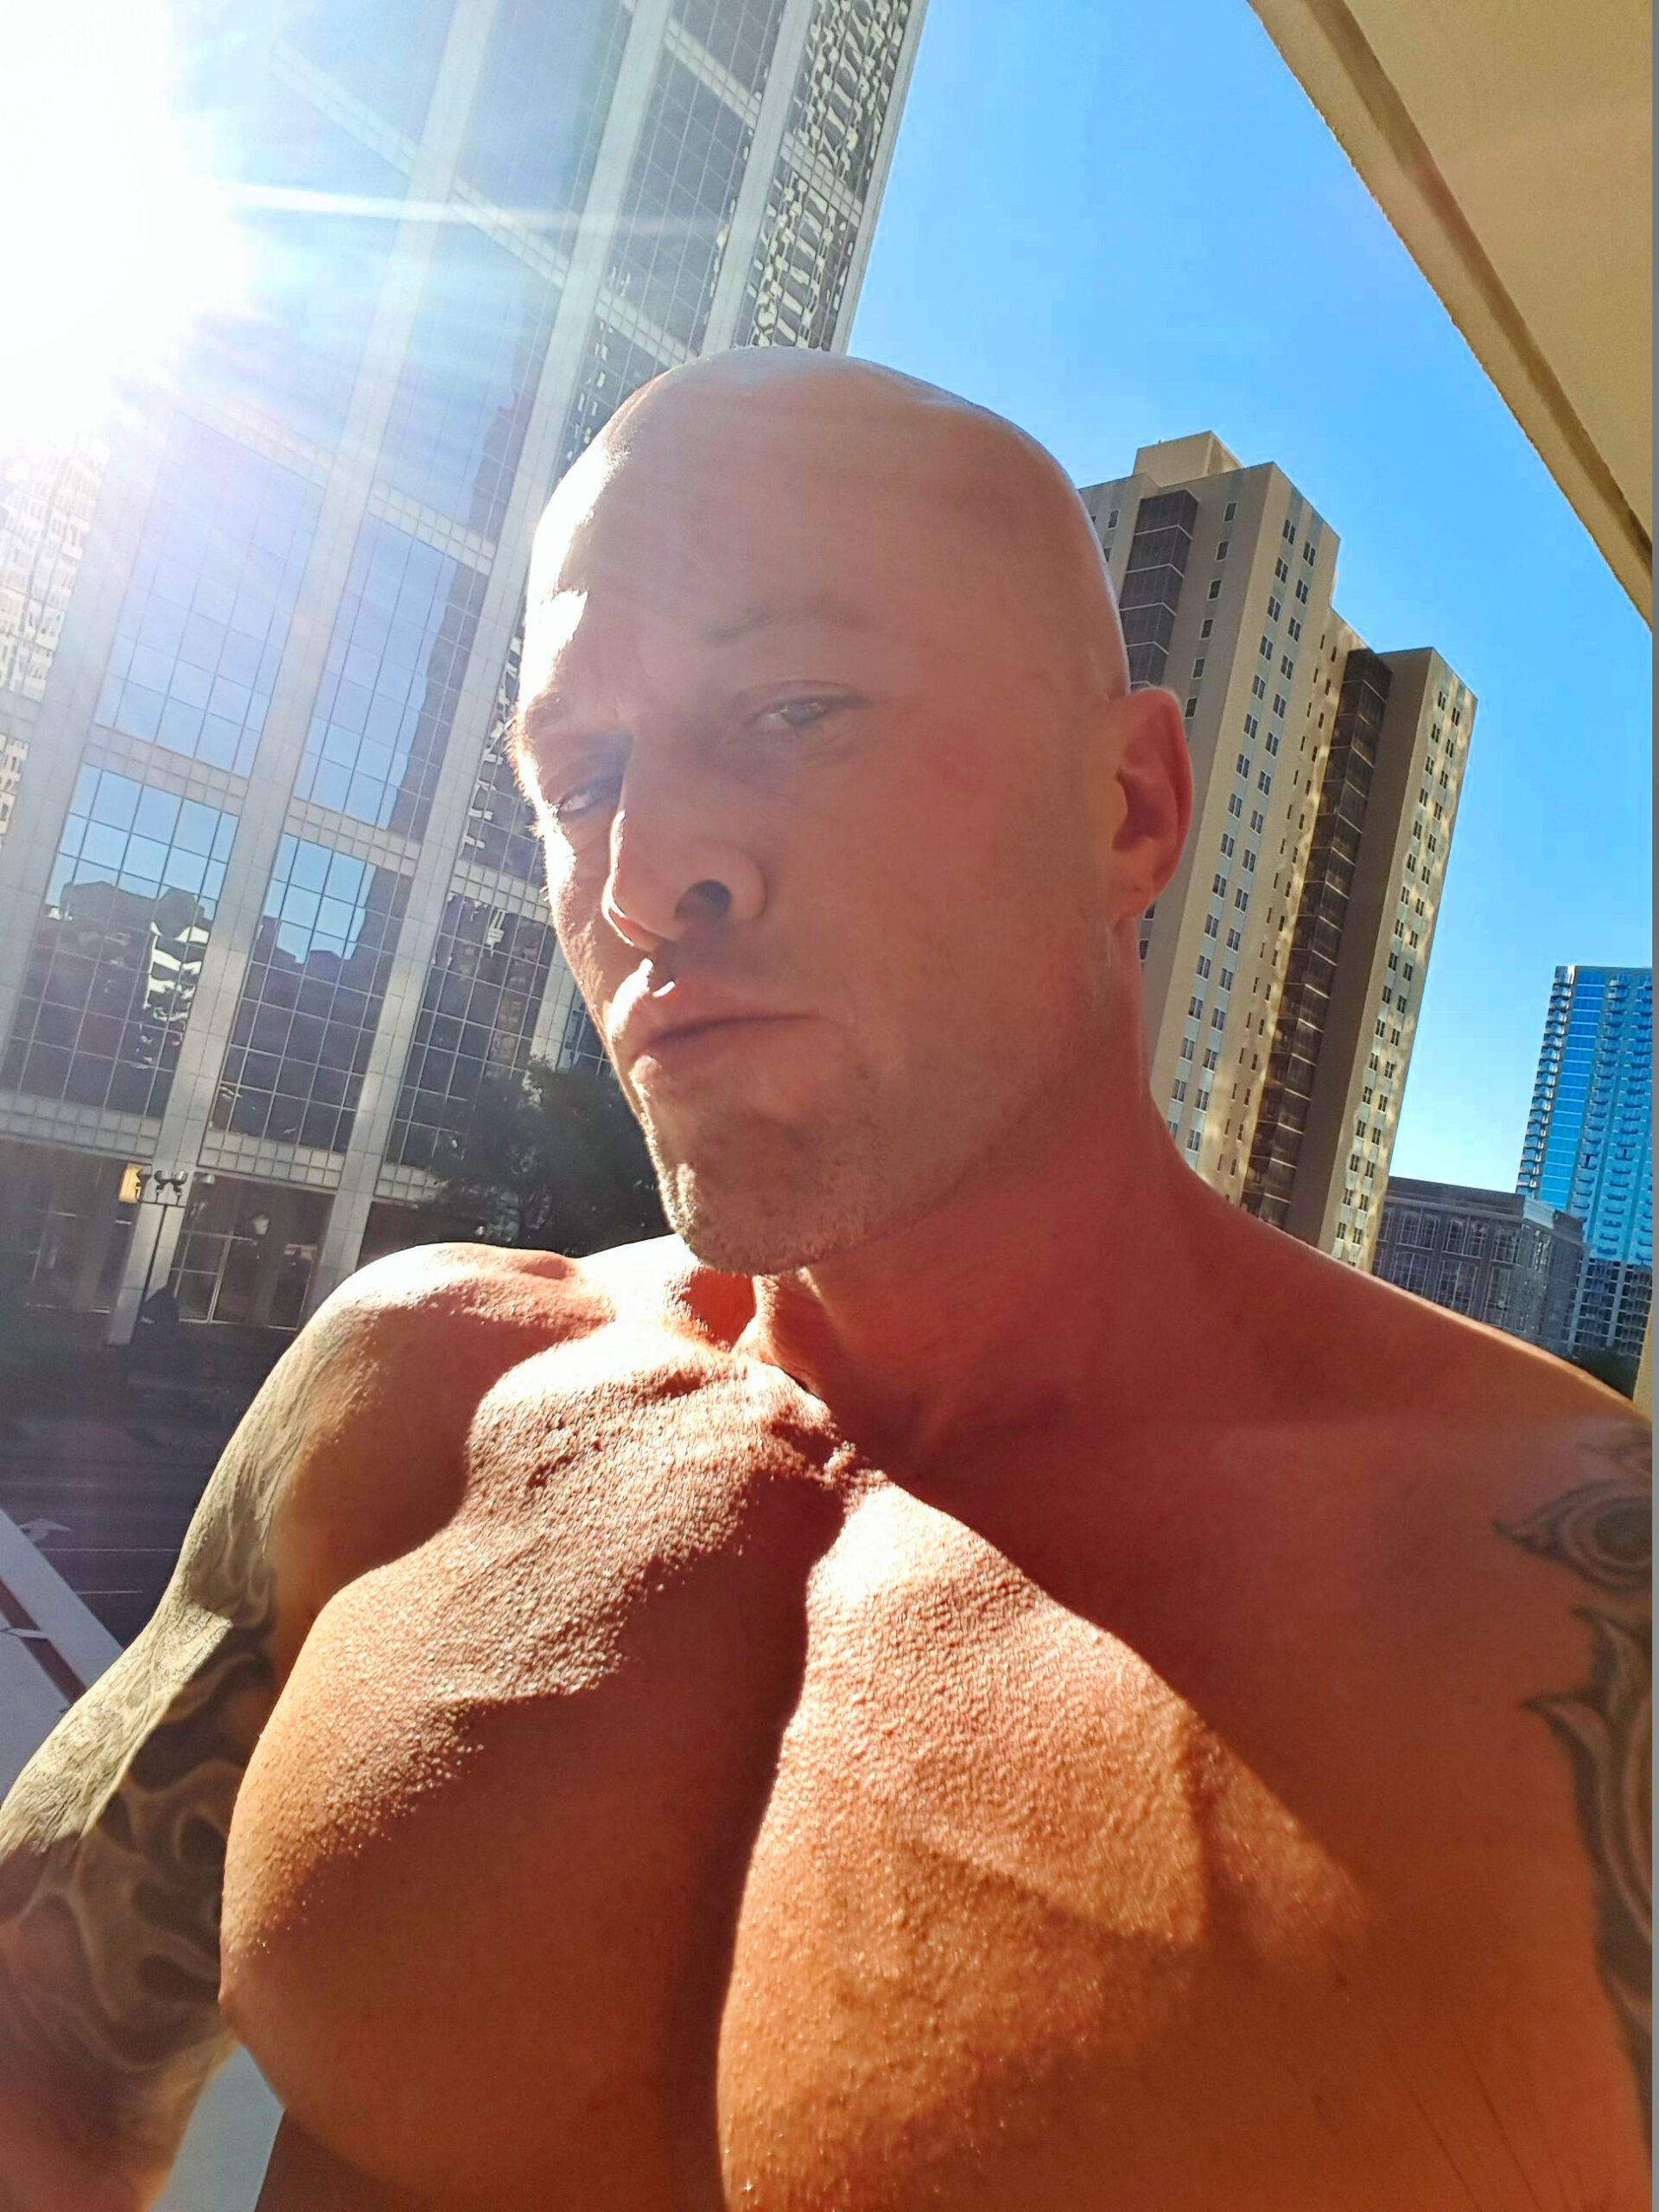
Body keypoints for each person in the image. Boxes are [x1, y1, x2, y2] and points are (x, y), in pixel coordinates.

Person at [0, 351, 1648, 2212]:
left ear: (1129, 807)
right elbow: (42, 2050)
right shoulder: (414, 1393)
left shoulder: (1569, 1619)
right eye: (579, 776)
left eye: (795, 708)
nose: (642, 880)